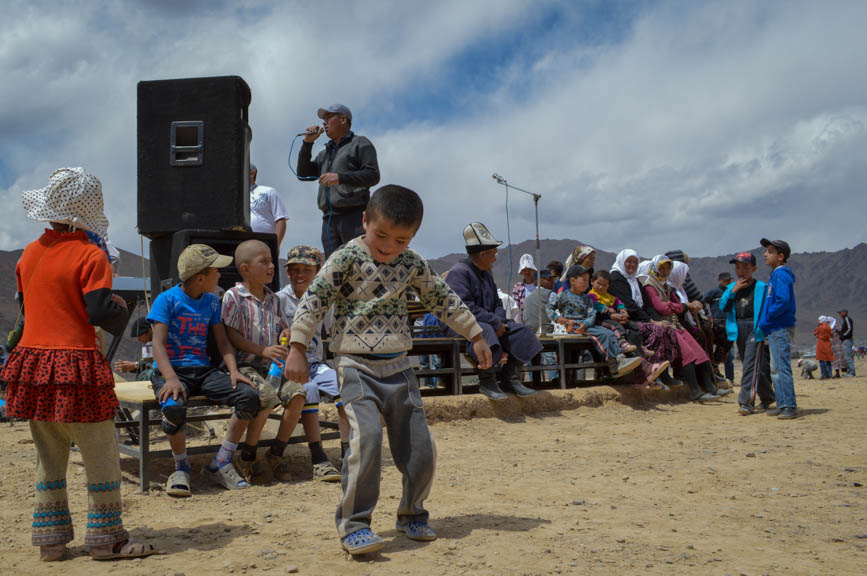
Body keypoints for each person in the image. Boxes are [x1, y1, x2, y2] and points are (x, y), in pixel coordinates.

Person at [284, 185, 493, 555]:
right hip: (354, 366)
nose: (388, 246)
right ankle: (354, 524)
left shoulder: (410, 262)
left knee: (421, 448)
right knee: (364, 442)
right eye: (381, 235)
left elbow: (442, 299)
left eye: (401, 239)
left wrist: (475, 334)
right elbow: (314, 300)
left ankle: (412, 512)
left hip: (400, 368)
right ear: (365, 221)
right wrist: (298, 346)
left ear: (412, 237)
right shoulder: (346, 257)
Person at [1, 167, 154, 561]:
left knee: (49, 457)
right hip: (75, 368)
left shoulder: (28, 255)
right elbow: (96, 310)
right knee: (101, 455)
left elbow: (33, 307)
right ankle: (108, 540)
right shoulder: (91, 255)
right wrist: (122, 312)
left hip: (34, 368)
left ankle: (51, 543)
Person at [147, 244, 259, 496]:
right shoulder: (167, 300)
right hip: (172, 371)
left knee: (248, 396)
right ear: (200, 278)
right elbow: (157, 344)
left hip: (203, 370)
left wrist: (233, 370)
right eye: (215, 271)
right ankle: (181, 467)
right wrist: (171, 378)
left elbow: (222, 342)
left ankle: (220, 462)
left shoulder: (210, 301)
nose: (220, 275)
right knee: (174, 408)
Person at [220, 239, 307, 485]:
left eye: (271, 261)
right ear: (245, 268)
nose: (271, 266)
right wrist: (262, 350)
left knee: (298, 394)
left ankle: (276, 452)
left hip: (273, 367)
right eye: (264, 262)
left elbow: (282, 327)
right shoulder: (233, 297)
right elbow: (231, 335)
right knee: (266, 397)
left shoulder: (273, 299)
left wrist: (288, 334)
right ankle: (248, 455)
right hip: (247, 365)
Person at [277, 244, 351, 481]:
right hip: (286, 365)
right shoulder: (279, 300)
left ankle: (347, 453)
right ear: (287, 272)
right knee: (308, 390)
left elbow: (333, 331)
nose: (299, 274)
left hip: (316, 365)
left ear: (318, 272)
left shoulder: (323, 300)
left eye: (306, 269)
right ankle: (318, 457)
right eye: (294, 269)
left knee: (345, 390)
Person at [446, 222, 542, 400]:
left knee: (522, 331)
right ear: (483, 254)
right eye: (493, 254)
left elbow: (498, 303)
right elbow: (465, 308)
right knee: (486, 330)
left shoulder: (486, 274)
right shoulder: (459, 273)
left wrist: (500, 321)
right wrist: (495, 322)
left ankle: (510, 378)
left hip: (489, 322)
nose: (495, 258)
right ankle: (487, 381)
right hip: (461, 325)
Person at [296, 104, 381, 257]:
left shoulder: (360, 143)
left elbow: (373, 175)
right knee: (335, 270)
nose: (324, 122)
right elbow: (303, 174)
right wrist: (307, 143)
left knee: (358, 264)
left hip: (354, 217)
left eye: (328, 117)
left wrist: (340, 177)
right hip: (328, 221)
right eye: (323, 119)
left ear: (343, 119)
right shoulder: (324, 154)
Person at [642, 256, 723, 402]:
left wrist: (673, 306)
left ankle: (711, 387)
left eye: (668, 268)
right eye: (662, 268)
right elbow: (662, 308)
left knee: (699, 353)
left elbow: (676, 305)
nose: (665, 271)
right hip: (665, 325)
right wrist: (678, 306)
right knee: (688, 354)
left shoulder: (667, 286)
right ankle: (694, 390)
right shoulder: (649, 286)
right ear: (655, 268)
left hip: (675, 324)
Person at [547, 265, 643, 379]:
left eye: (587, 280)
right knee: (603, 335)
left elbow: (592, 314)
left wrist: (586, 324)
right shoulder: (563, 296)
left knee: (609, 333)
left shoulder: (587, 299)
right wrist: (557, 318)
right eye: (584, 280)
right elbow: (549, 308)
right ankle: (615, 365)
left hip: (586, 326)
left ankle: (619, 360)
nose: (586, 283)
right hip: (572, 326)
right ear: (572, 280)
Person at [719, 251, 773, 415]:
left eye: (745, 267)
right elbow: (723, 307)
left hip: (755, 328)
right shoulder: (730, 288)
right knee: (753, 364)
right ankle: (768, 397)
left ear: (754, 268)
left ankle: (746, 403)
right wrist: (732, 291)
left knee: (750, 365)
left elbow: (768, 309)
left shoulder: (762, 287)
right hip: (738, 328)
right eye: (738, 268)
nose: (741, 271)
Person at [757, 238, 798, 419]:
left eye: (770, 251)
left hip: (779, 326)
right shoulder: (775, 274)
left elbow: (782, 301)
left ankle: (789, 405)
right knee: (775, 368)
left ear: (780, 257)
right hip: (775, 327)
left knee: (781, 367)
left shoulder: (781, 275)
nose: (765, 254)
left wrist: (767, 319)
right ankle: (782, 404)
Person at [248, 163, 289, 249]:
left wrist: (276, 245)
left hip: (265, 243)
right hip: (241, 243)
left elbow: (280, 219)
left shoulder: (268, 191)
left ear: (253, 174)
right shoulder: (235, 195)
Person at [705, 271, 736, 382]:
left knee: (729, 354)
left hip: (729, 324)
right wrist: (707, 315)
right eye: (725, 280)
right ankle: (714, 371)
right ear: (720, 281)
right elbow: (703, 301)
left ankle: (730, 378)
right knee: (711, 349)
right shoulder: (714, 292)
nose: (728, 282)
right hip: (716, 324)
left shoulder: (733, 293)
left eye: (729, 280)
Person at [112, 317, 155, 381]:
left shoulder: (163, 342)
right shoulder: (149, 345)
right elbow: (148, 364)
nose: (139, 339)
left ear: (150, 330)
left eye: (140, 335)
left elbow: (157, 364)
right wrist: (130, 367)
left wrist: (135, 365)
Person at [511, 253, 537, 324]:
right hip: (524, 322)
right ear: (521, 272)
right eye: (524, 270)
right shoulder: (517, 287)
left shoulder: (539, 286)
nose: (527, 272)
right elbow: (516, 306)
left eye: (529, 269)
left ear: (533, 270)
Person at [838, 309, 855, 377]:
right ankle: (849, 371)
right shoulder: (845, 320)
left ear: (845, 313)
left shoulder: (847, 319)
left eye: (841, 313)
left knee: (848, 357)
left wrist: (843, 335)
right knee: (846, 357)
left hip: (847, 340)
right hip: (845, 340)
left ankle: (851, 372)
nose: (840, 314)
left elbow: (849, 328)